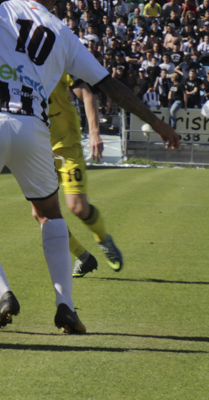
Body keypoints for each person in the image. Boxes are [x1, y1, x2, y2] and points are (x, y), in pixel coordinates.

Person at [0, 0, 179, 334]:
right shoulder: (65, 35)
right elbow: (111, 86)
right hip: (33, 128)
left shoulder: (0, 7)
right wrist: (158, 123)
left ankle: (2, 292)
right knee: (50, 214)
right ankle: (65, 306)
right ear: (54, 0)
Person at [42, 76, 122, 277]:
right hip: (38, 150)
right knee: (42, 214)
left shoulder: (56, 58)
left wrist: (94, 132)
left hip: (66, 147)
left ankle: (103, 238)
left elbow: (86, 94)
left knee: (77, 207)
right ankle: (83, 257)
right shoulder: (14, 63)